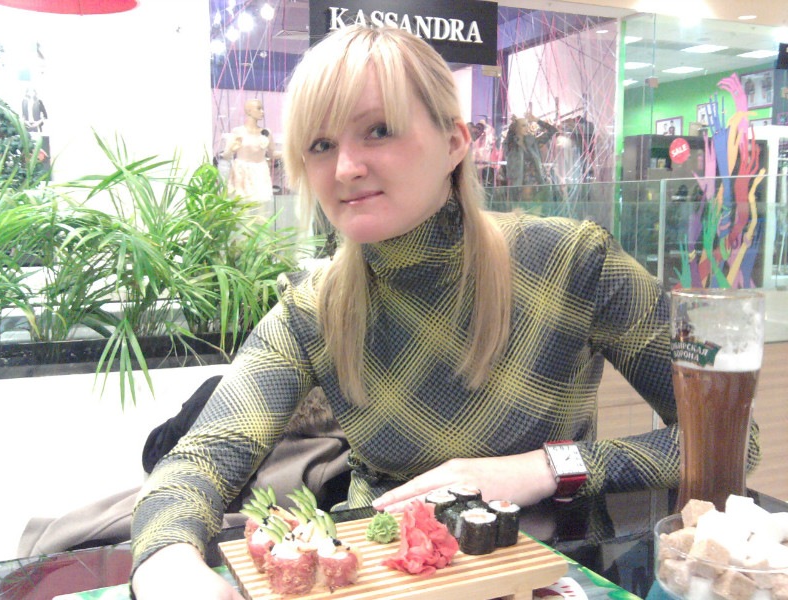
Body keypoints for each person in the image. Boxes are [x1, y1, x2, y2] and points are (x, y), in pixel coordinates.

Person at [129, 25, 761, 599]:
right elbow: (200, 458)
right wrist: (167, 562)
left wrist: (544, 468)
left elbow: (733, 442)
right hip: (381, 579)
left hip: (554, 573)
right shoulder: (310, 310)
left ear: (456, 140)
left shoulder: (574, 262)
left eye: (378, 130)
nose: (345, 168)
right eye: (320, 144)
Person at [221, 98, 276, 217]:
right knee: (244, 213)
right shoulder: (238, 131)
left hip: (260, 172)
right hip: (242, 173)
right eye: (259, 108)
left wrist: (293, 152)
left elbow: (273, 153)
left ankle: (262, 229)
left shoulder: (266, 132)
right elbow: (226, 155)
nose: (262, 112)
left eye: (262, 108)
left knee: (262, 213)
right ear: (249, 111)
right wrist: (232, 149)